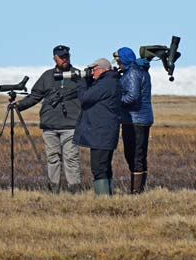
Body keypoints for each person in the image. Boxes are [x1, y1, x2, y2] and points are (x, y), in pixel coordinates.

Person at [16, 45, 82, 194]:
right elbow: (35, 96)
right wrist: (18, 105)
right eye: (61, 57)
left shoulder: (78, 75)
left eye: (67, 56)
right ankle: (54, 190)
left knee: (71, 158)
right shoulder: (47, 76)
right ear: (55, 58)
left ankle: (75, 191)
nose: (65, 59)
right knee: (52, 159)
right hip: (49, 126)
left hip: (71, 125)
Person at [73, 58, 122, 196]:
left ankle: (102, 198)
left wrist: (81, 82)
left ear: (102, 69)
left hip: (102, 132)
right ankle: (107, 195)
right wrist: (88, 81)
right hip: (104, 131)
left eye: (94, 70)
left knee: (99, 167)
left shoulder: (106, 83)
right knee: (104, 166)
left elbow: (85, 98)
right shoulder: (109, 81)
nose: (92, 73)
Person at [113, 47, 153, 194]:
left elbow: (132, 97)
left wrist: (115, 99)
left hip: (135, 120)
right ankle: (139, 190)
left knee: (134, 155)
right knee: (139, 155)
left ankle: (136, 192)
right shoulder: (140, 70)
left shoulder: (132, 73)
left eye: (119, 61)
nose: (118, 64)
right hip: (140, 119)